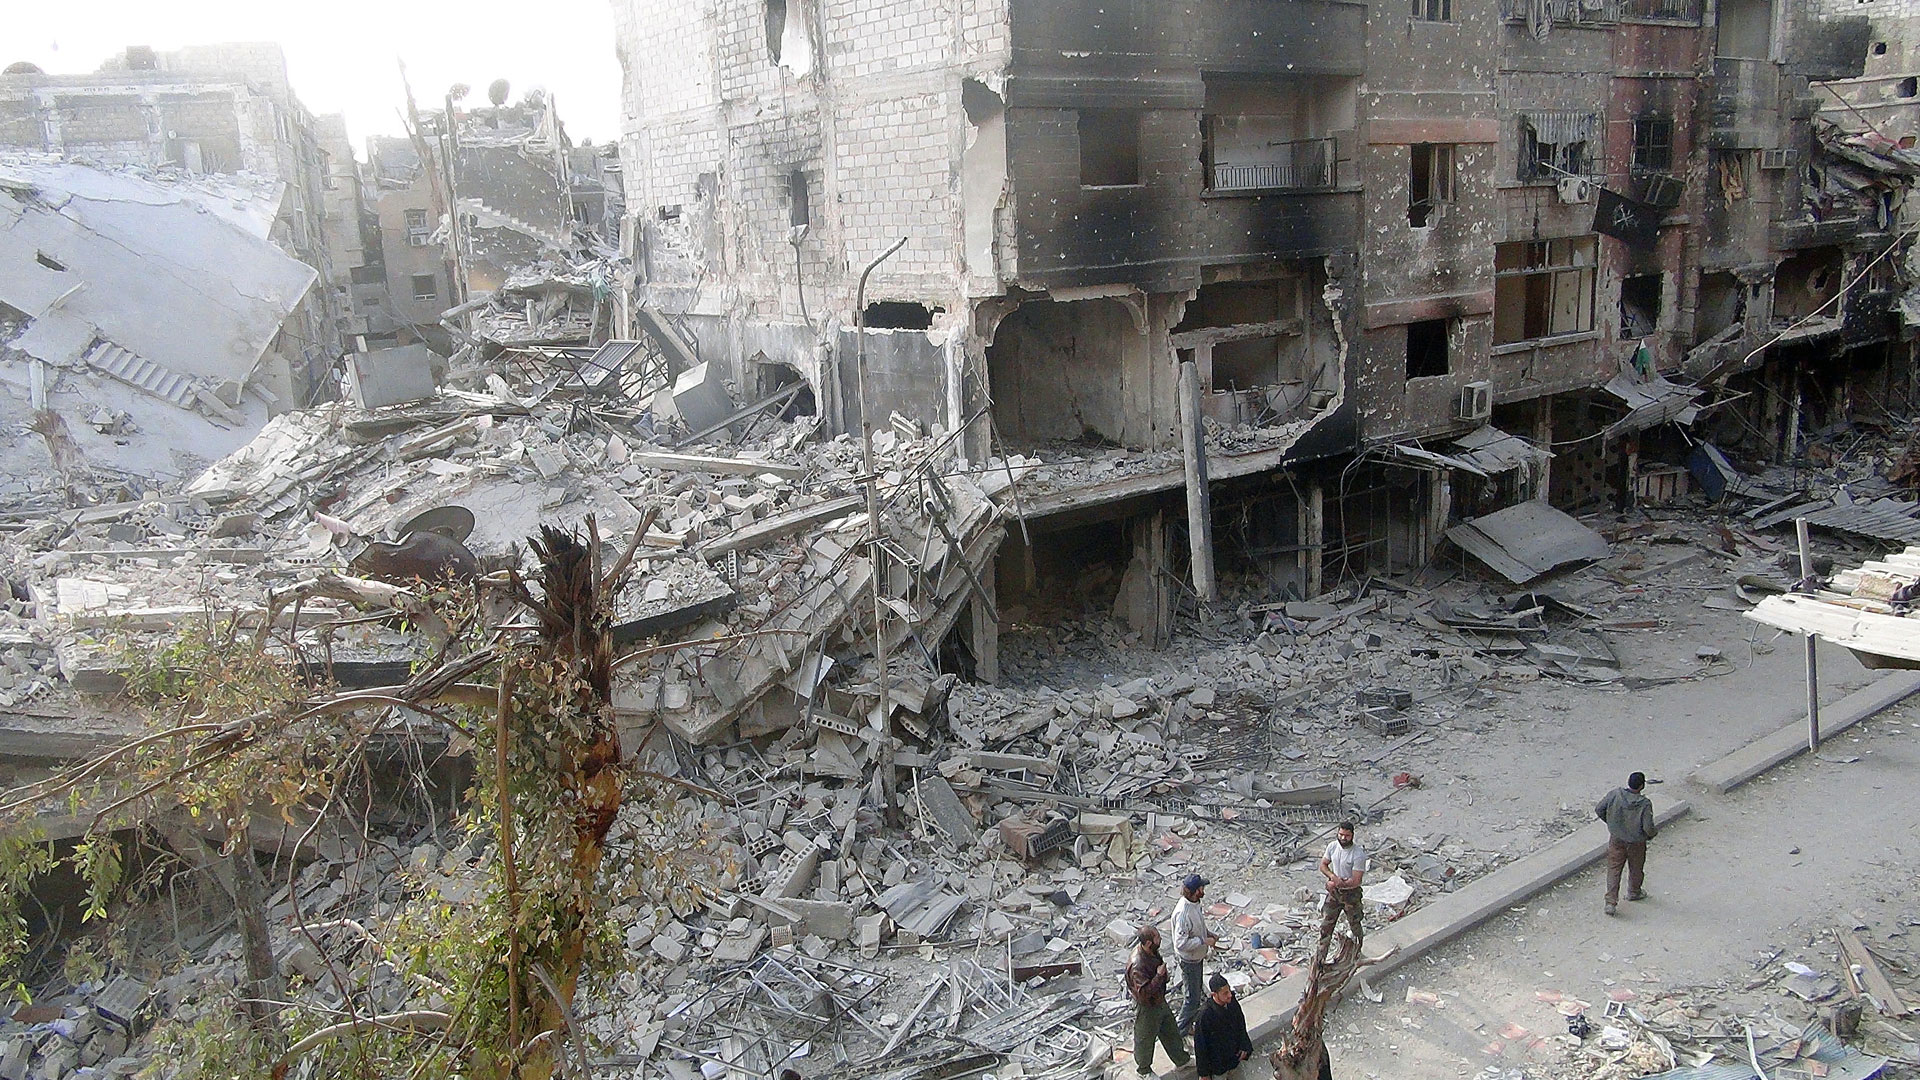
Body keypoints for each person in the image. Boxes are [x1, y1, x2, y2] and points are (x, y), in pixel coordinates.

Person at [1126, 924, 1191, 1076]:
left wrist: (1163, 976)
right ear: (1149, 943)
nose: (1160, 939)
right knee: (1145, 1039)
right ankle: (1144, 1071)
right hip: (1147, 1007)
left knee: (1171, 1031)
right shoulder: (1138, 964)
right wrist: (1159, 976)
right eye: (1157, 937)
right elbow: (1143, 993)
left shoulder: (1152, 952)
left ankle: (1182, 1061)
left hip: (1159, 1000)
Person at [1595, 771, 1658, 916]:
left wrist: (1611, 823)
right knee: (1636, 868)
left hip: (1617, 839)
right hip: (1636, 842)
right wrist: (1651, 835)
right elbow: (1648, 827)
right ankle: (1634, 892)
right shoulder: (1644, 804)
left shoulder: (1615, 795)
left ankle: (1610, 902)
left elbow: (1599, 809)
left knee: (1614, 869)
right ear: (1642, 786)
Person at [1172, 873, 1219, 1034]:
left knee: (1196, 993)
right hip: (1189, 961)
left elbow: (1198, 926)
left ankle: (1189, 1026)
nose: (1203, 890)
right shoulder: (1183, 914)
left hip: (1196, 958)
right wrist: (1203, 941)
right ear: (1195, 891)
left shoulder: (1195, 904)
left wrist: (1208, 934)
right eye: (1201, 888)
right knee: (1192, 999)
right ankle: (1180, 1031)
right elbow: (1180, 943)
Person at [1318, 822, 1368, 947]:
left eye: (1347, 835)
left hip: (1351, 894)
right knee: (1326, 926)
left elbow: (1356, 880)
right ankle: (1320, 955)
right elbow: (1323, 865)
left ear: (1352, 835)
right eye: (1341, 834)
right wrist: (1332, 877)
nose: (1343, 838)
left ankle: (1357, 951)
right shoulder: (1333, 847)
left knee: (1355, 925)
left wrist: (1338, 883)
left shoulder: (1358, 854)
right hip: (1334, 893)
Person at [1193, 974, 1253, 1080]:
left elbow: (1240, 1024)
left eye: (1229, 990)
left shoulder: (1232, 1002)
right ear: (1214, 994)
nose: (1229, 995)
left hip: (1234, 1060)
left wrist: (1244, 1045)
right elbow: (1200, 1047)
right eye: (1225, 993)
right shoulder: (1205, 1016)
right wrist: (1204, 1074)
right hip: (1218, 1067)